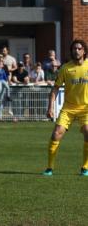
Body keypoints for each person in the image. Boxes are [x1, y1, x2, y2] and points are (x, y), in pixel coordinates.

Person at [42, 40, 88, 176]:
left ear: (84, 51)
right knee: (56, 134)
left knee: (87, 131)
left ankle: (85, 167)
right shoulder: (65, 68)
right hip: (68, 108)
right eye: (74, 49)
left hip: (86, 108)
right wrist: (50, 107)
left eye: (79, 48)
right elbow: (55, 89)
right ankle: (49, 167)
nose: (77, 51)